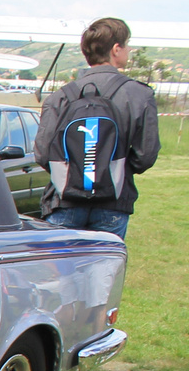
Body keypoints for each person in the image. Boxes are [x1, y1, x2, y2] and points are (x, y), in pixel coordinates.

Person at [33, 17, 159, 239]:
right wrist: (114, 169)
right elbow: (145, 155)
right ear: (116, 49)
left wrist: (72, 173)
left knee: (61, 272)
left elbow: (43, 154)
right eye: (127, 45)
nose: (129, 50)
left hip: (65, 200)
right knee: (104, 271)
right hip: (113, 201)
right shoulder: (140, 94)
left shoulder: (60, 97)